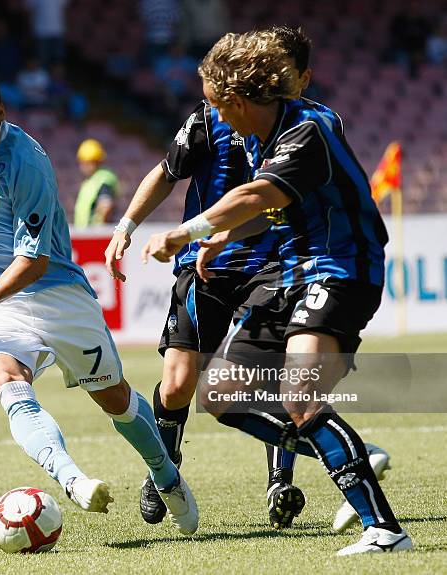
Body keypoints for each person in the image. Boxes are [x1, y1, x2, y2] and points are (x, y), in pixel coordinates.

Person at [142, 30, 412, 555]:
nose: (215, 117)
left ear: (239, 102)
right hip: (290, 274)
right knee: (218, 394)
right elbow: (269, 209)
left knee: (301, 397)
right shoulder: (255, 136)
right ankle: (341, 452)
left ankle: (383, 530)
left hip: (340, 269)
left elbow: (257, 193)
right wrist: (222, 238)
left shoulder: (308, 128)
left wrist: (189, 230)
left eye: (219, 106)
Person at [0, 68, 198, 535]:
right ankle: (73, 480)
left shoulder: (26, 163)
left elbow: (34, 261)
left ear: (1, 114)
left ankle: (166, 474)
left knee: (114, 398)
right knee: (8, 382)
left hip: (55, 295)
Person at [105, 26, 320, 531]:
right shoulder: (209, 119)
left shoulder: (305, 129)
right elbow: (166, 170)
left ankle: (280, 479)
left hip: (273, 265)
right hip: (204, 268)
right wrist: (126, 227)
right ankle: (165, 468)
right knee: (178, 385)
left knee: (267, 376)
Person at [74, 139, 119, 227]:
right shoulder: (91, 180)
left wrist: (98, 229)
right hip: (86, 233)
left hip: (94, 235)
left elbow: (106, 206)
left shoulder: (104, 177)